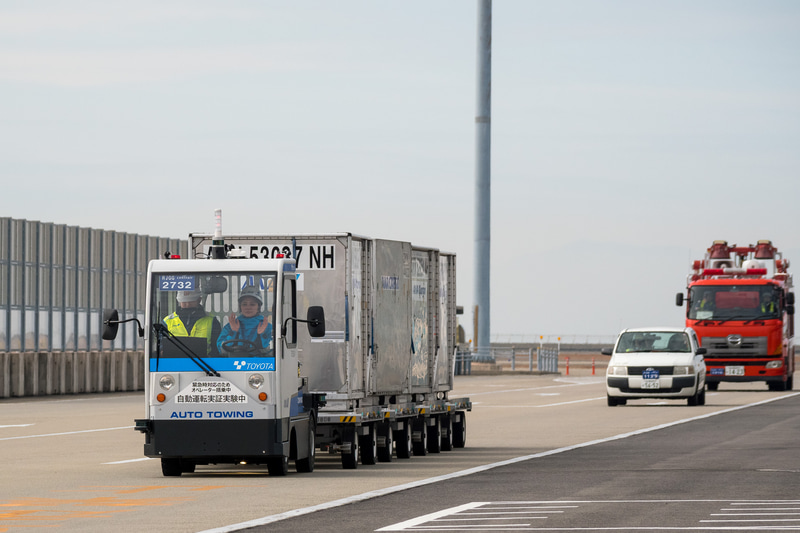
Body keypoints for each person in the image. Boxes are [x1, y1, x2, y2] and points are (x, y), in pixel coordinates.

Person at [162, 289, 221, 355]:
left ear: (199, 300)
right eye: (184, 302)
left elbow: (217, 349)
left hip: (204, 363)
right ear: (179, 301)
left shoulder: (212, 321)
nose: (187, 305)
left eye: (191, 301)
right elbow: (160, 348)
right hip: (174, 364)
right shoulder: (167, 322)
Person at [217, 285, 273, 354]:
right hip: (233, 363)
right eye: (244, 304)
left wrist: (261, 335)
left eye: (252, 304)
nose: (248, 307)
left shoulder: (267, 326)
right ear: (240, 307)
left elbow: (271, 352)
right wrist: (233, 332)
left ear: (258, 307)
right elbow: (221, 350)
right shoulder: (230, 326)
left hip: (257, 364)